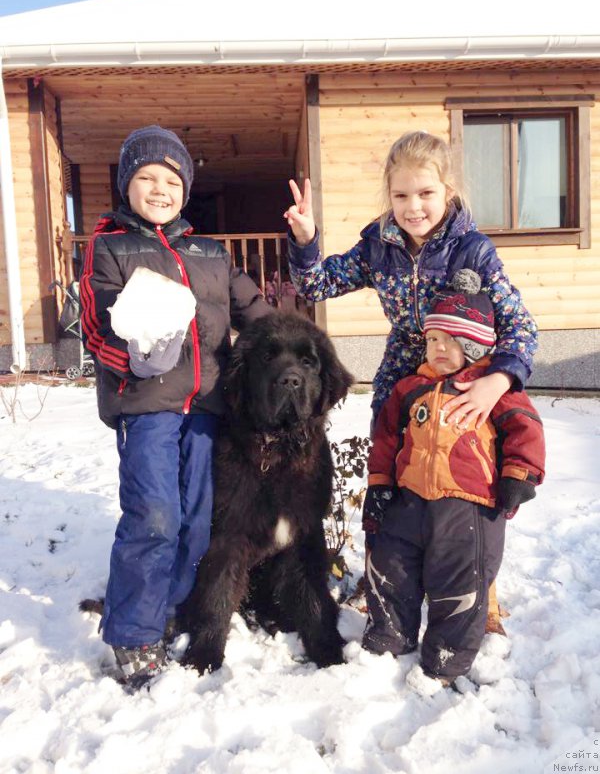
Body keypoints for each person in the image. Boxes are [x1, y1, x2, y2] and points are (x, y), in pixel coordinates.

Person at [80, 125, 271, 689]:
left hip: (209, 406)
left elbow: (255, 311)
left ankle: (177, 606)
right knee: (153, 516)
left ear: (185, 190)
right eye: (145, 177)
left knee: (197, 519)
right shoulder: (110, 246)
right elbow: (96, 322)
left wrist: (292, 352)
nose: (159, 189)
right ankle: (135, 631)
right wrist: (128, 354)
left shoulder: (210, 253)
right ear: (126, 186)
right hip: (146, 406)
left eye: (171, 179)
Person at [360, 270, 545, 686]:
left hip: (469, 507)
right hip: (409, 499)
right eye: (431, 340)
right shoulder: (409, 389)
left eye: (448, 340)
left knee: (460, 581)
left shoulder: (491, 389)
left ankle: (445, 660)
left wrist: (519, 475)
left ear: (473, 344)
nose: (437, 348)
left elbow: (525, 429)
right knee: (391, 565)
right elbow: (388, 437)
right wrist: (379, 483)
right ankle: (390, 635)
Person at [284, 130, 538, 432]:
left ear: (449, 191)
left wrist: (497, 381)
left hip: (460, 381)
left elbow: (518, 325)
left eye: (426, 193)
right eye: (401, 196)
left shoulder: (472, 251)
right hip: (400, 378)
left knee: (452, 468)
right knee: (390, 465)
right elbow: (315, 285)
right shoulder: (378, 247)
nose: (413, 207)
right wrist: (305, 239)